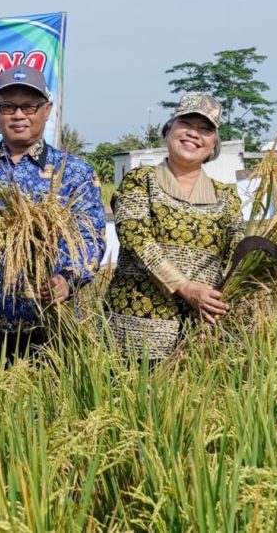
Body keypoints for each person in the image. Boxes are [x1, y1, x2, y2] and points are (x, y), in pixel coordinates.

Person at [0, 65, 106, 364]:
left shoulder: (74, 172)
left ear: (47, 110)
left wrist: (67, 278)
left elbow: (90, 237)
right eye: (8, 106)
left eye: (29, 106)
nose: (18, 114)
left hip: (48, 325)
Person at [104, 93, 243, 361]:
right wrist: (185, 287)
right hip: (134, 336)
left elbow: (236, 260)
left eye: (205, 129)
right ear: (168, 130)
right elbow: (137, 240)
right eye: (185, 124)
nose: (194, 134)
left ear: (214, 145)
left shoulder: (227, 198)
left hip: (199, 336)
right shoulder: (140, 181)